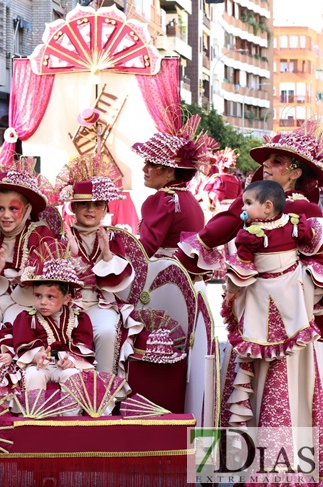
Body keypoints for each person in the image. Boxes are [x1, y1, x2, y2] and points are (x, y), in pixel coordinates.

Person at [223, 180, 323, 461]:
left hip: (274, 297)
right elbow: (307, 238)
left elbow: (241, 270)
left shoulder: (260, 233)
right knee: (276, 357)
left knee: (267, 355)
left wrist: (230, 295)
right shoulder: (281, 227)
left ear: (267, 207)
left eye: (247, 203)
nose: (242, 209)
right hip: (286, 295)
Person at [177, 121, 323, 278]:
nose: (265, 163)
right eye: (267, 159)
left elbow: (317, 259)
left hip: (290, 291)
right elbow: (223, 226)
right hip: (249, 284)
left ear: (295, 174)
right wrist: (187, 255)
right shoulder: (254, 197)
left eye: (277, 161)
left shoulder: (307, 209)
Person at [57, 166, 140, 378]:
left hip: (99, 302)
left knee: (105, 331)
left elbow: (117, 280)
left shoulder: (113, 238)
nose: (90, 210)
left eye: (97, 205)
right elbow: (55, 276)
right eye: (83, 204)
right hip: (67, 304)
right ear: (73, 208)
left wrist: (106, 253)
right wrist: (72, 254)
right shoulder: (62, 238)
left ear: (105, 209)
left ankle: (104, 391)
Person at [0, 161, 56, 325]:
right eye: (0, 208)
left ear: (27, 209)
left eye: (13, 209)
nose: (6, 215)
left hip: (24, 301)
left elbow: (48, 276)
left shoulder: (40, 236)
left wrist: (27, 275)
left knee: (18, 326)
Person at [12, 245, 94, 400]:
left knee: (73, 377)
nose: (43, 302)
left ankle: (70, 419)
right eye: (38, 296)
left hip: (64, 363)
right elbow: (23, 343)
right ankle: (35, 415)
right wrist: (37, 356)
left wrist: (70, 360)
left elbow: (83, 343)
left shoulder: (79, 318)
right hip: (38, 364)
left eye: (50, 297)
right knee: (33, 376)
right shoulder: (27, 318)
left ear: (67, 299)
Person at [131, 115, 217, 258]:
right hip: (186, 274)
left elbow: (146, 248)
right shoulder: (188, 198)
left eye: (152, 164)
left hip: (165, 273)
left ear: (170, 171)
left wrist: (114, 256)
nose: (144, 169)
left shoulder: (164, 200)